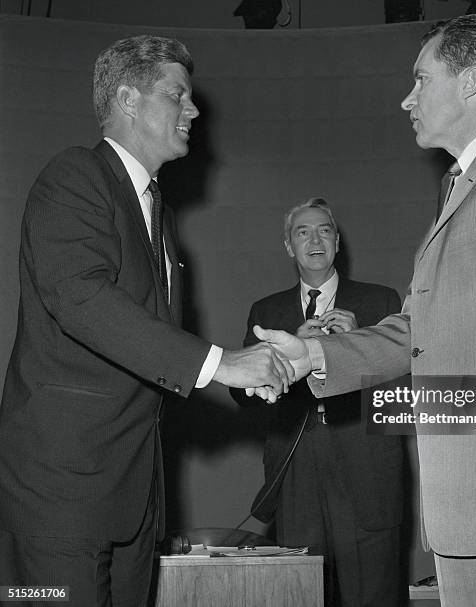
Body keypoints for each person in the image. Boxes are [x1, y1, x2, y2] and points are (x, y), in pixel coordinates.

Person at [251, 14, 476, 607]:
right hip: (469, 511)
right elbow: (418, 332)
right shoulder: (459, 185)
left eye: (421, 80)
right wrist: (312, 355)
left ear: (470, 81)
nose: (406, 98)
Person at [0, 35, 291, 607]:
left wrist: (242, 377)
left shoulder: (160, 214)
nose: (194, 109)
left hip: (134, 498)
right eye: (176, 95)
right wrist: (221, 363)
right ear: (128, 99)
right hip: (62, 495)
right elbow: (80, 297)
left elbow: (147, 350)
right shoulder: (75, 177)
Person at [231, 198, 404, 606]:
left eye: (324, 230)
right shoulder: (267, 311)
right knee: (299, 591)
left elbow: (403, 394)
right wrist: (284, 354)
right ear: (289, 247)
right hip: (296, 463)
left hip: (366, 460)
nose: (314, 239)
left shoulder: (381, 303)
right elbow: (242, 396)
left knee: (374, 591)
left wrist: (362, 340)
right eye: (302, 232)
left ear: (337, 242)